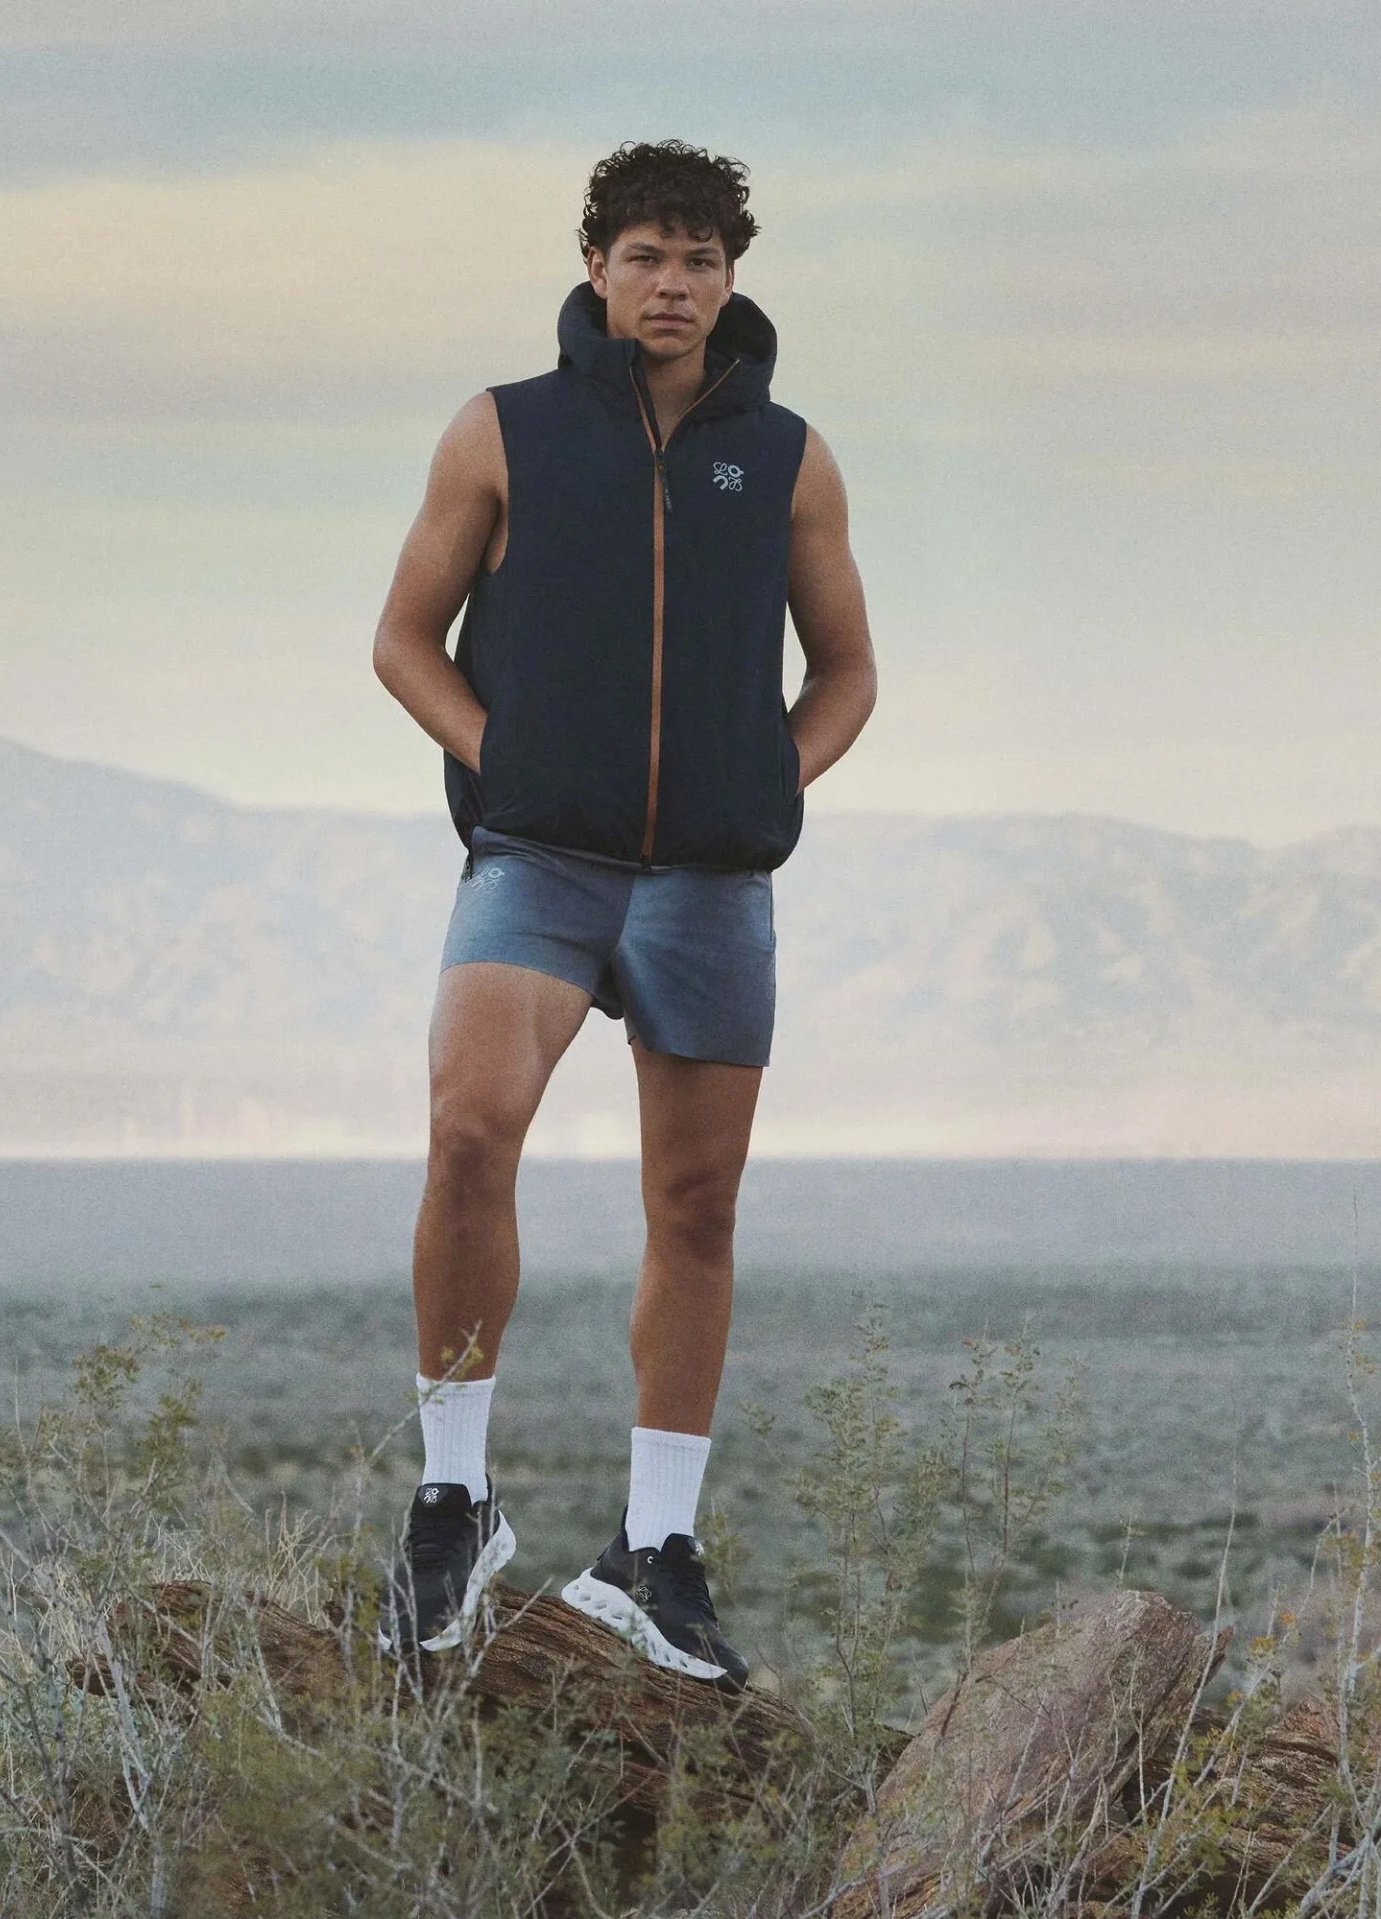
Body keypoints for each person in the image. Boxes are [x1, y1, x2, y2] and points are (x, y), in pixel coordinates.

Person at [371, 138, 876, 1691]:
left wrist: (766, 788)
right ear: (597, 268)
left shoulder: (786, 456)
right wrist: (502, 757)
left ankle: (657, 1553)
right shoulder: (504, 431)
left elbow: (848, 670)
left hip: (714, 885)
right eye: (649, 256)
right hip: (538, 861)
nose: (676, 285)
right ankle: (455, 1494)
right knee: (470, 1132)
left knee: (697, 1207)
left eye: (704, 261)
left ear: (734, 279)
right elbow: (404, 641)